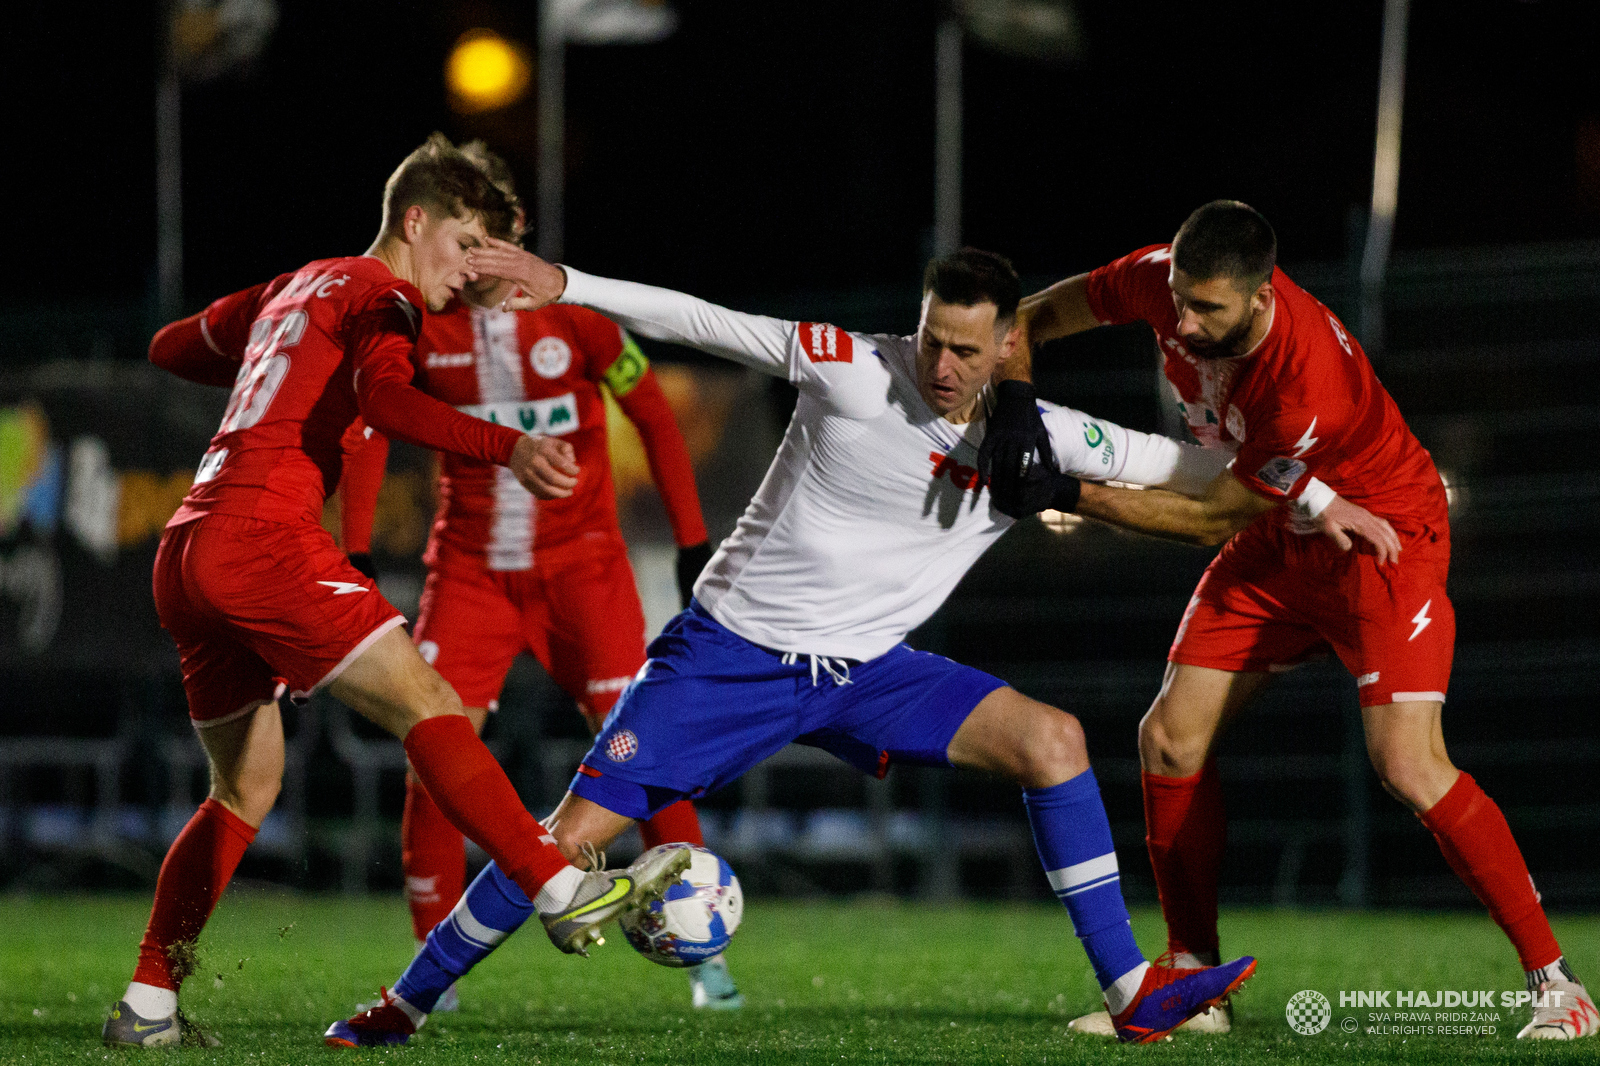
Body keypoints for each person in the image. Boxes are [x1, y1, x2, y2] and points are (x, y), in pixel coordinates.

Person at [327, 243, 1259, 1048]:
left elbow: (1209, 471)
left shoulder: (1045, 438)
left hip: (867, 672)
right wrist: (563, 280)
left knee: (1051, 740)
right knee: (565, 844)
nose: (940, 363)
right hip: (730, 658)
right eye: (932, 337)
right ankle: (402, 1006)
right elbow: (705, 320)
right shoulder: (854, 369)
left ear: (1008, 346)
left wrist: (1314, 484)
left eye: (965, 349)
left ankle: (1133, 994)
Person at [104, 135, 691, 1050]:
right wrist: (508, 446)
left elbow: (171, 345)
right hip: (264, 537)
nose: (467, 273)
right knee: (430, 701)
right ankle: (559, 885)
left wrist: (283, 355)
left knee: (245, 788)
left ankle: (148, 1003)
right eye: (462, 246)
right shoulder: (384, 295)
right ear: (414, 222)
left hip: (187, 550)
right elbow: (387, 399)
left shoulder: (293, 289)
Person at [981, 200, 1596, 1042]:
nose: (1184, 323)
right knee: (1168, 740)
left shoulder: (1305, 384)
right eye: (1181, 301)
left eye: (1210, 310)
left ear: (1263, 298)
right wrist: (1014, 407)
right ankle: (1197, 982)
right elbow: (1029, 318)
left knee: (1408, 766)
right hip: (1286, 535)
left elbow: (1209, 517)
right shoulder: (1160, 280)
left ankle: (1558, 985)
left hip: (1381, 544)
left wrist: (1062, 491)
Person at [336, 143, 738, 1013]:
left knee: (645, 752)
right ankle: (427, 977)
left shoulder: (579, 321)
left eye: (493, 235)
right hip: (471, 575)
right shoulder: (422, 328)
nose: (477, 256)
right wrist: (357, 550)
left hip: (583, 576)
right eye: (466, 235)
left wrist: (691, 539)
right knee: (432, 754)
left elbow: (653, 412)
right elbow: (369, 426)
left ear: (516, 235)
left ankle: (707, 959)